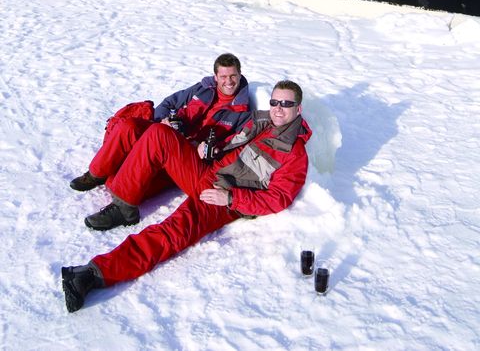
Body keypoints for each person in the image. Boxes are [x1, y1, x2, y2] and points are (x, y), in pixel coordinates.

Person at [61, 80, 311, 312]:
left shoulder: (294, 153)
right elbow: (233, 148)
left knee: (173, 231)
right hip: (208, 172)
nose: (278, 109)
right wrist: (211, 150)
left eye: (286, 104)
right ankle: (124, 205)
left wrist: (231, 199)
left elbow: (278, 198)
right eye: (275, 102)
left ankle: (92, 274)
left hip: (224, 198)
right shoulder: (262, 122)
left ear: (298, 109)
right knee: (159, 134)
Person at [69, 53, 250, 204]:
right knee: (129, 126)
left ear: (240, 75)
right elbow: (169, 102)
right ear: (216, 76)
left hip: (185, 155)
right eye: (224, 76)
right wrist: (161, 119)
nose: (229, 81)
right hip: (165, 133)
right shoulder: (202, 88)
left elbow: (234, 145)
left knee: (114, 182)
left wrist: (212, 149)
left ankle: (116, 189)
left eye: (233, 76)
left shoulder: (243, 110)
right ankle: (95, 174)